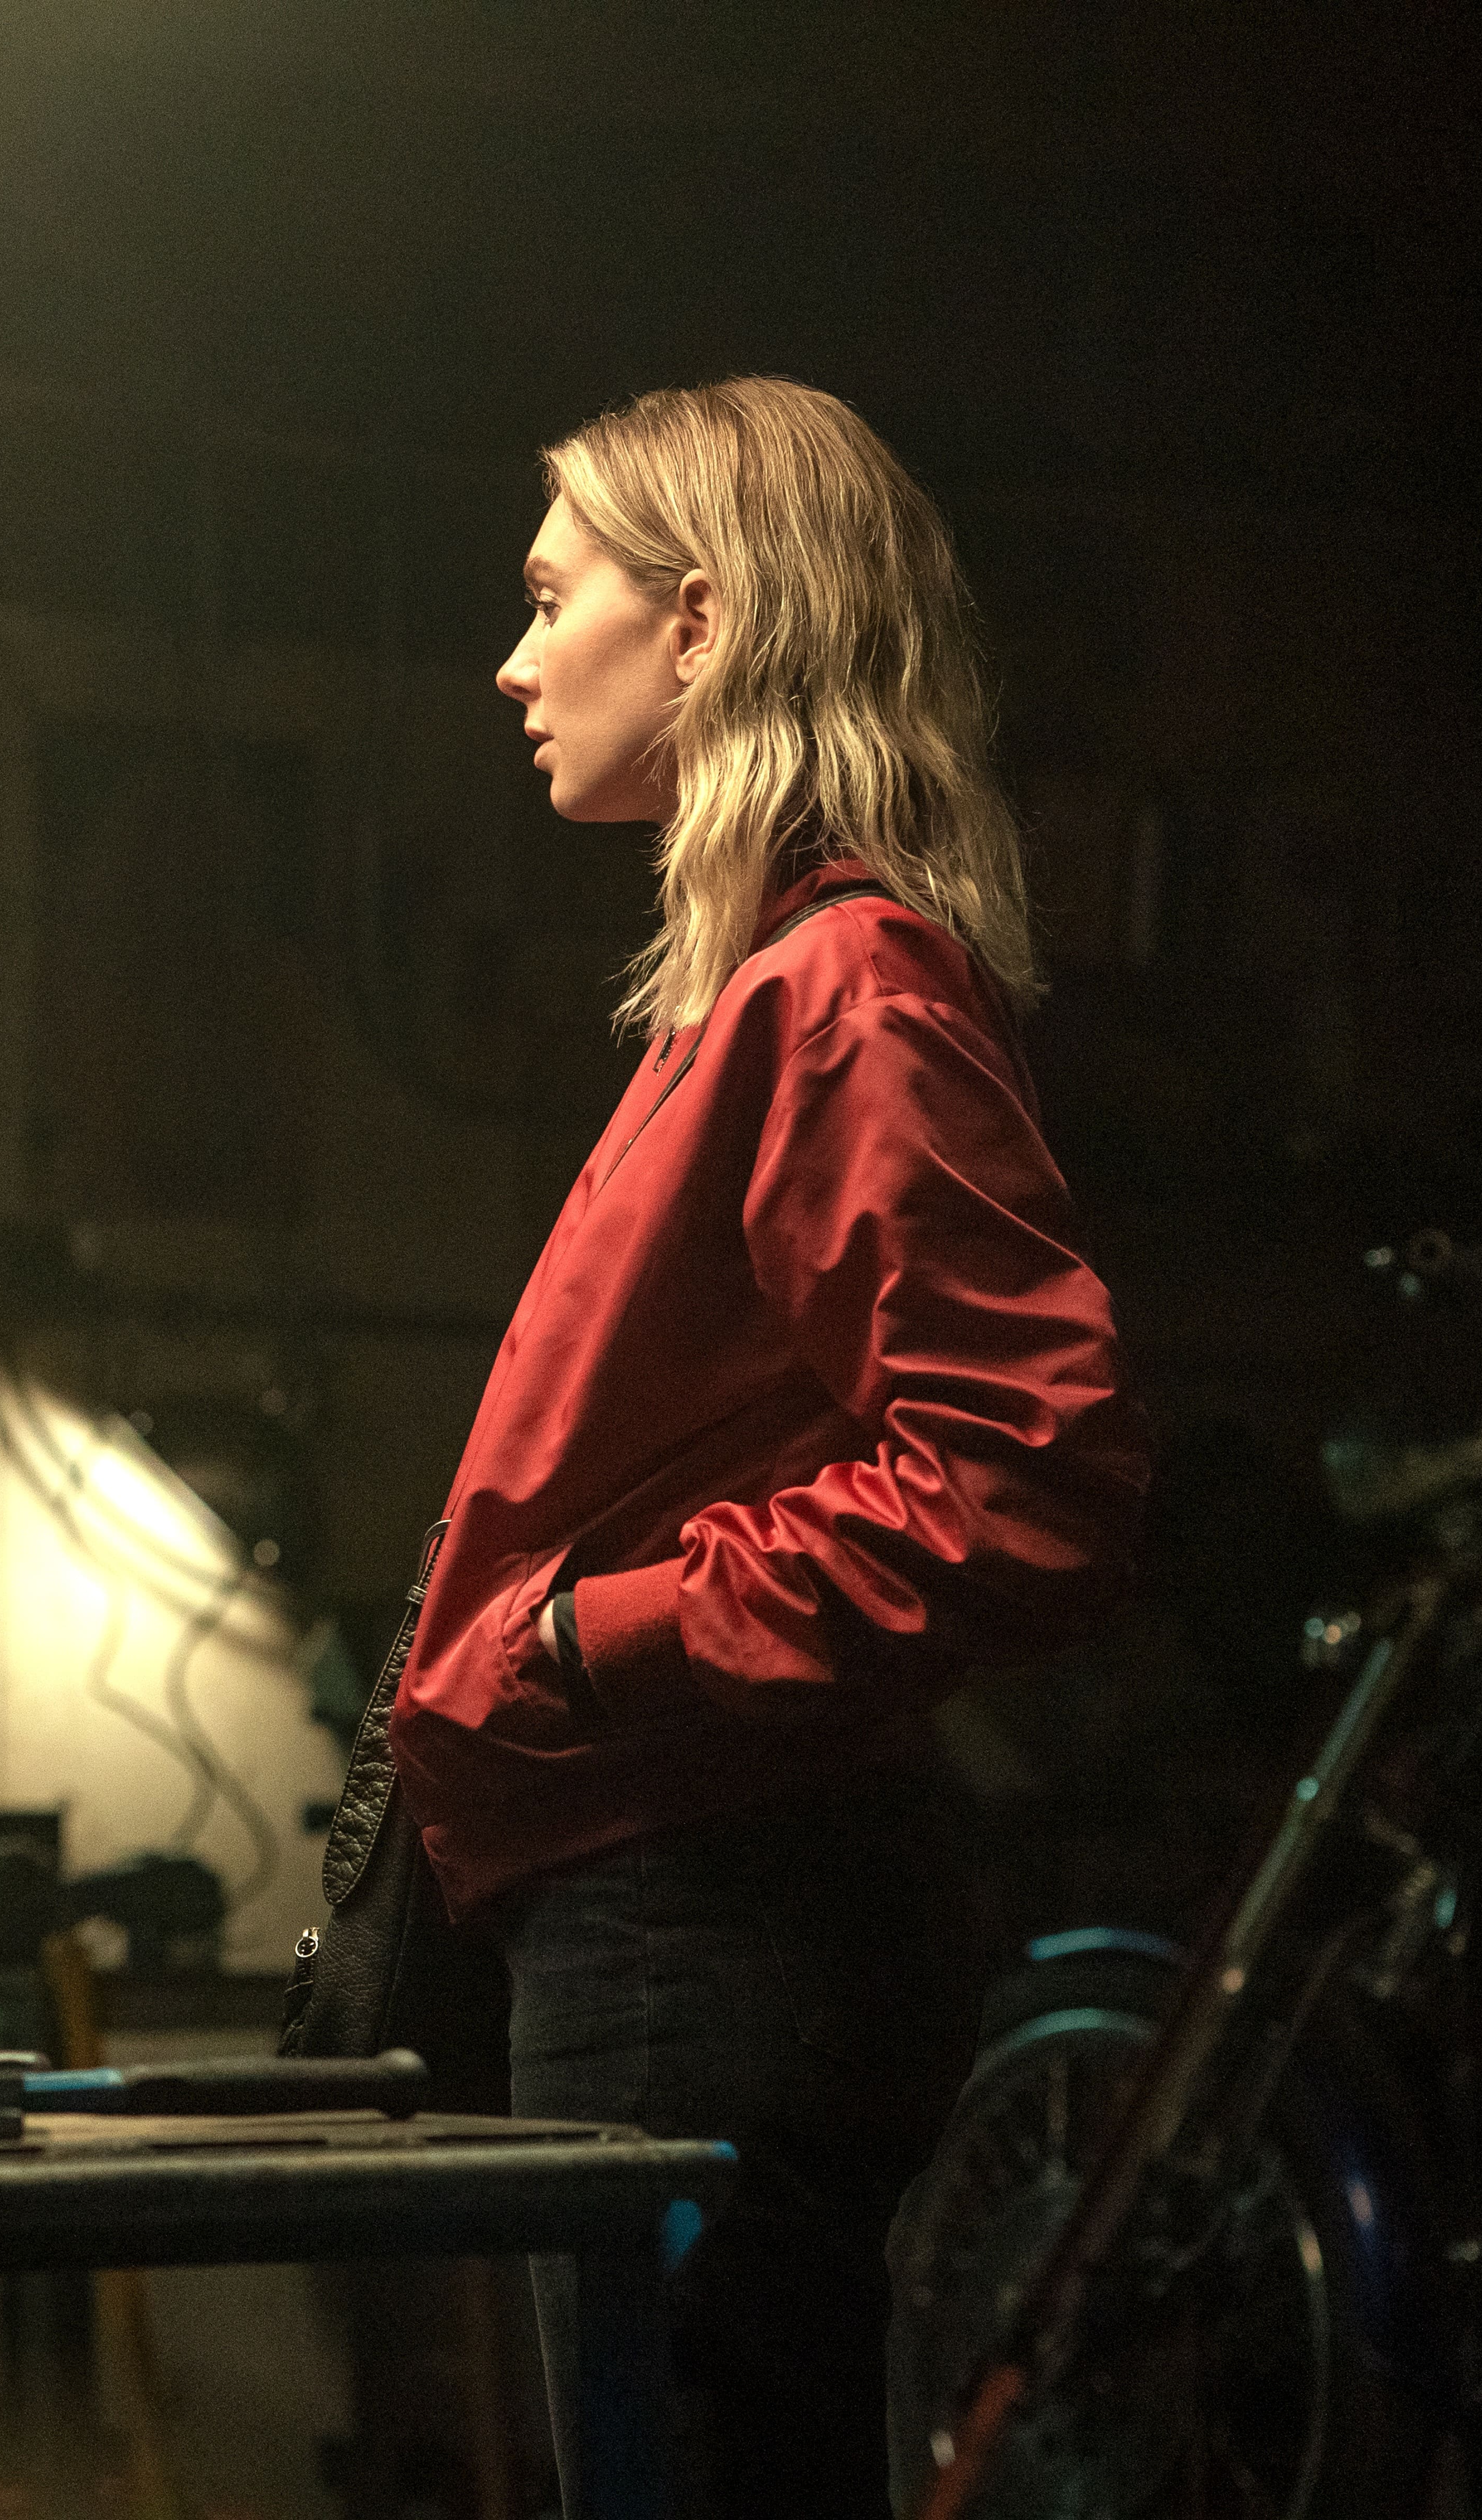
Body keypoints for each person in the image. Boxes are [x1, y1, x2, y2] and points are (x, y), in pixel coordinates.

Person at [385, 379, 1152, 2511]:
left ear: (705, 622)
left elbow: (1027, 1470)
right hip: (681, 1902)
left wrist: (603, 1639)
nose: (515, 661)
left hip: (708, 1909)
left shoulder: (848, 986)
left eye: (553, 599)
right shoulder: (769, 988)